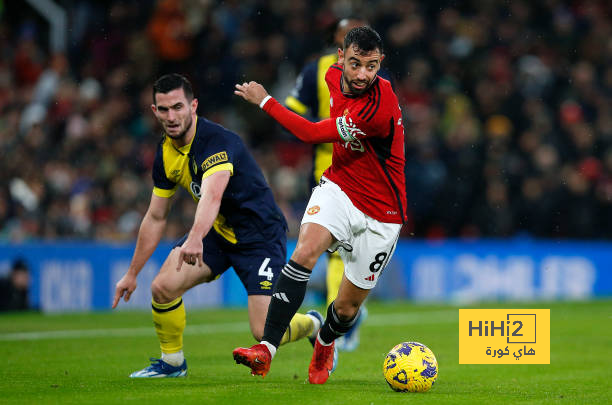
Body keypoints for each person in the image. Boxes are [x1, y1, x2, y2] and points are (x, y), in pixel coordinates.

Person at [112, 73, 323, 378]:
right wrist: (132, 273)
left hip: (259, 237)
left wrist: (195, 238)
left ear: (193, 106)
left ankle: (313, 324)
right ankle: (172, 363)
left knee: (263, 330)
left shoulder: (217, 141)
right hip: (218, 232)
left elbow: (212, 195)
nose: (171, 117)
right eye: (164, 109)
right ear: (154, 111)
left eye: (178, 107)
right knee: (162, 287)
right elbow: (156, 216)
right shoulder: (165, 153)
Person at [233, 26, 406, 384]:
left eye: (371, 66)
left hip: (383, 213)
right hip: (340, 188)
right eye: (355, 64)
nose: (362, 75)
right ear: (340, 58)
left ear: (380, 63)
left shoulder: (378, 104)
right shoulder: (329, 76)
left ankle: (325, 341)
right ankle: (266, 349)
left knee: (346, 308)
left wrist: (266, 101)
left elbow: (311, 133)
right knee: (305, 251)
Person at [284, 17, 384, 352]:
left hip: (366, 174)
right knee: (331, 253)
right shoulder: (317, 71)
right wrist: (334, 126)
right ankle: (339, 324)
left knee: (348, 254)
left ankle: (343, 315)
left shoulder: (372, 77)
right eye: (346, 40)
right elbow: (294, 109)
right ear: (339, 47)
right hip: (327, 170)